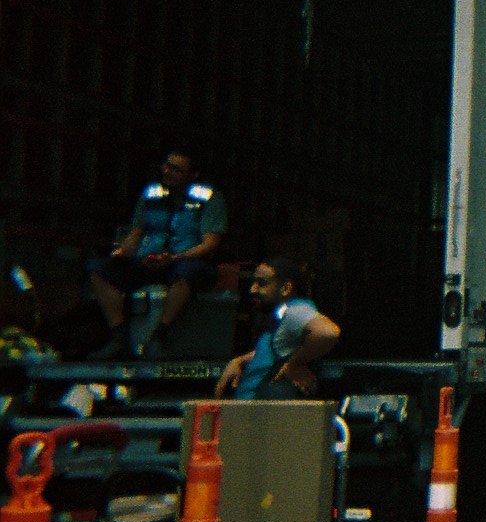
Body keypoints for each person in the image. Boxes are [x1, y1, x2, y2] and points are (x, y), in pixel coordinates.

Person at [86, 152, 227, 360]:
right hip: (149, 261)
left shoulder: (209, 198)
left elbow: (210, 243)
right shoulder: (151, 194)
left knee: (188, 272)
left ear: (193, 174)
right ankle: (120, 339)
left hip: (186, 262)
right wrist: (124, 253)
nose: (167, 172)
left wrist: (174, 258)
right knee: (99, 269)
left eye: (176, 169)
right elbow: (136, 233)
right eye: (167, 166)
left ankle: (158, 337)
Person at [214, 258, 340, 400]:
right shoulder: (283, 313)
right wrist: (240, 360)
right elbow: (279, 346)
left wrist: (295, 364)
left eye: (262, 283)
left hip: (262, 412)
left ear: (285, 288)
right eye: (253, 282)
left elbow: (328, 332)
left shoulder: (295, 310)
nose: (252, 289)